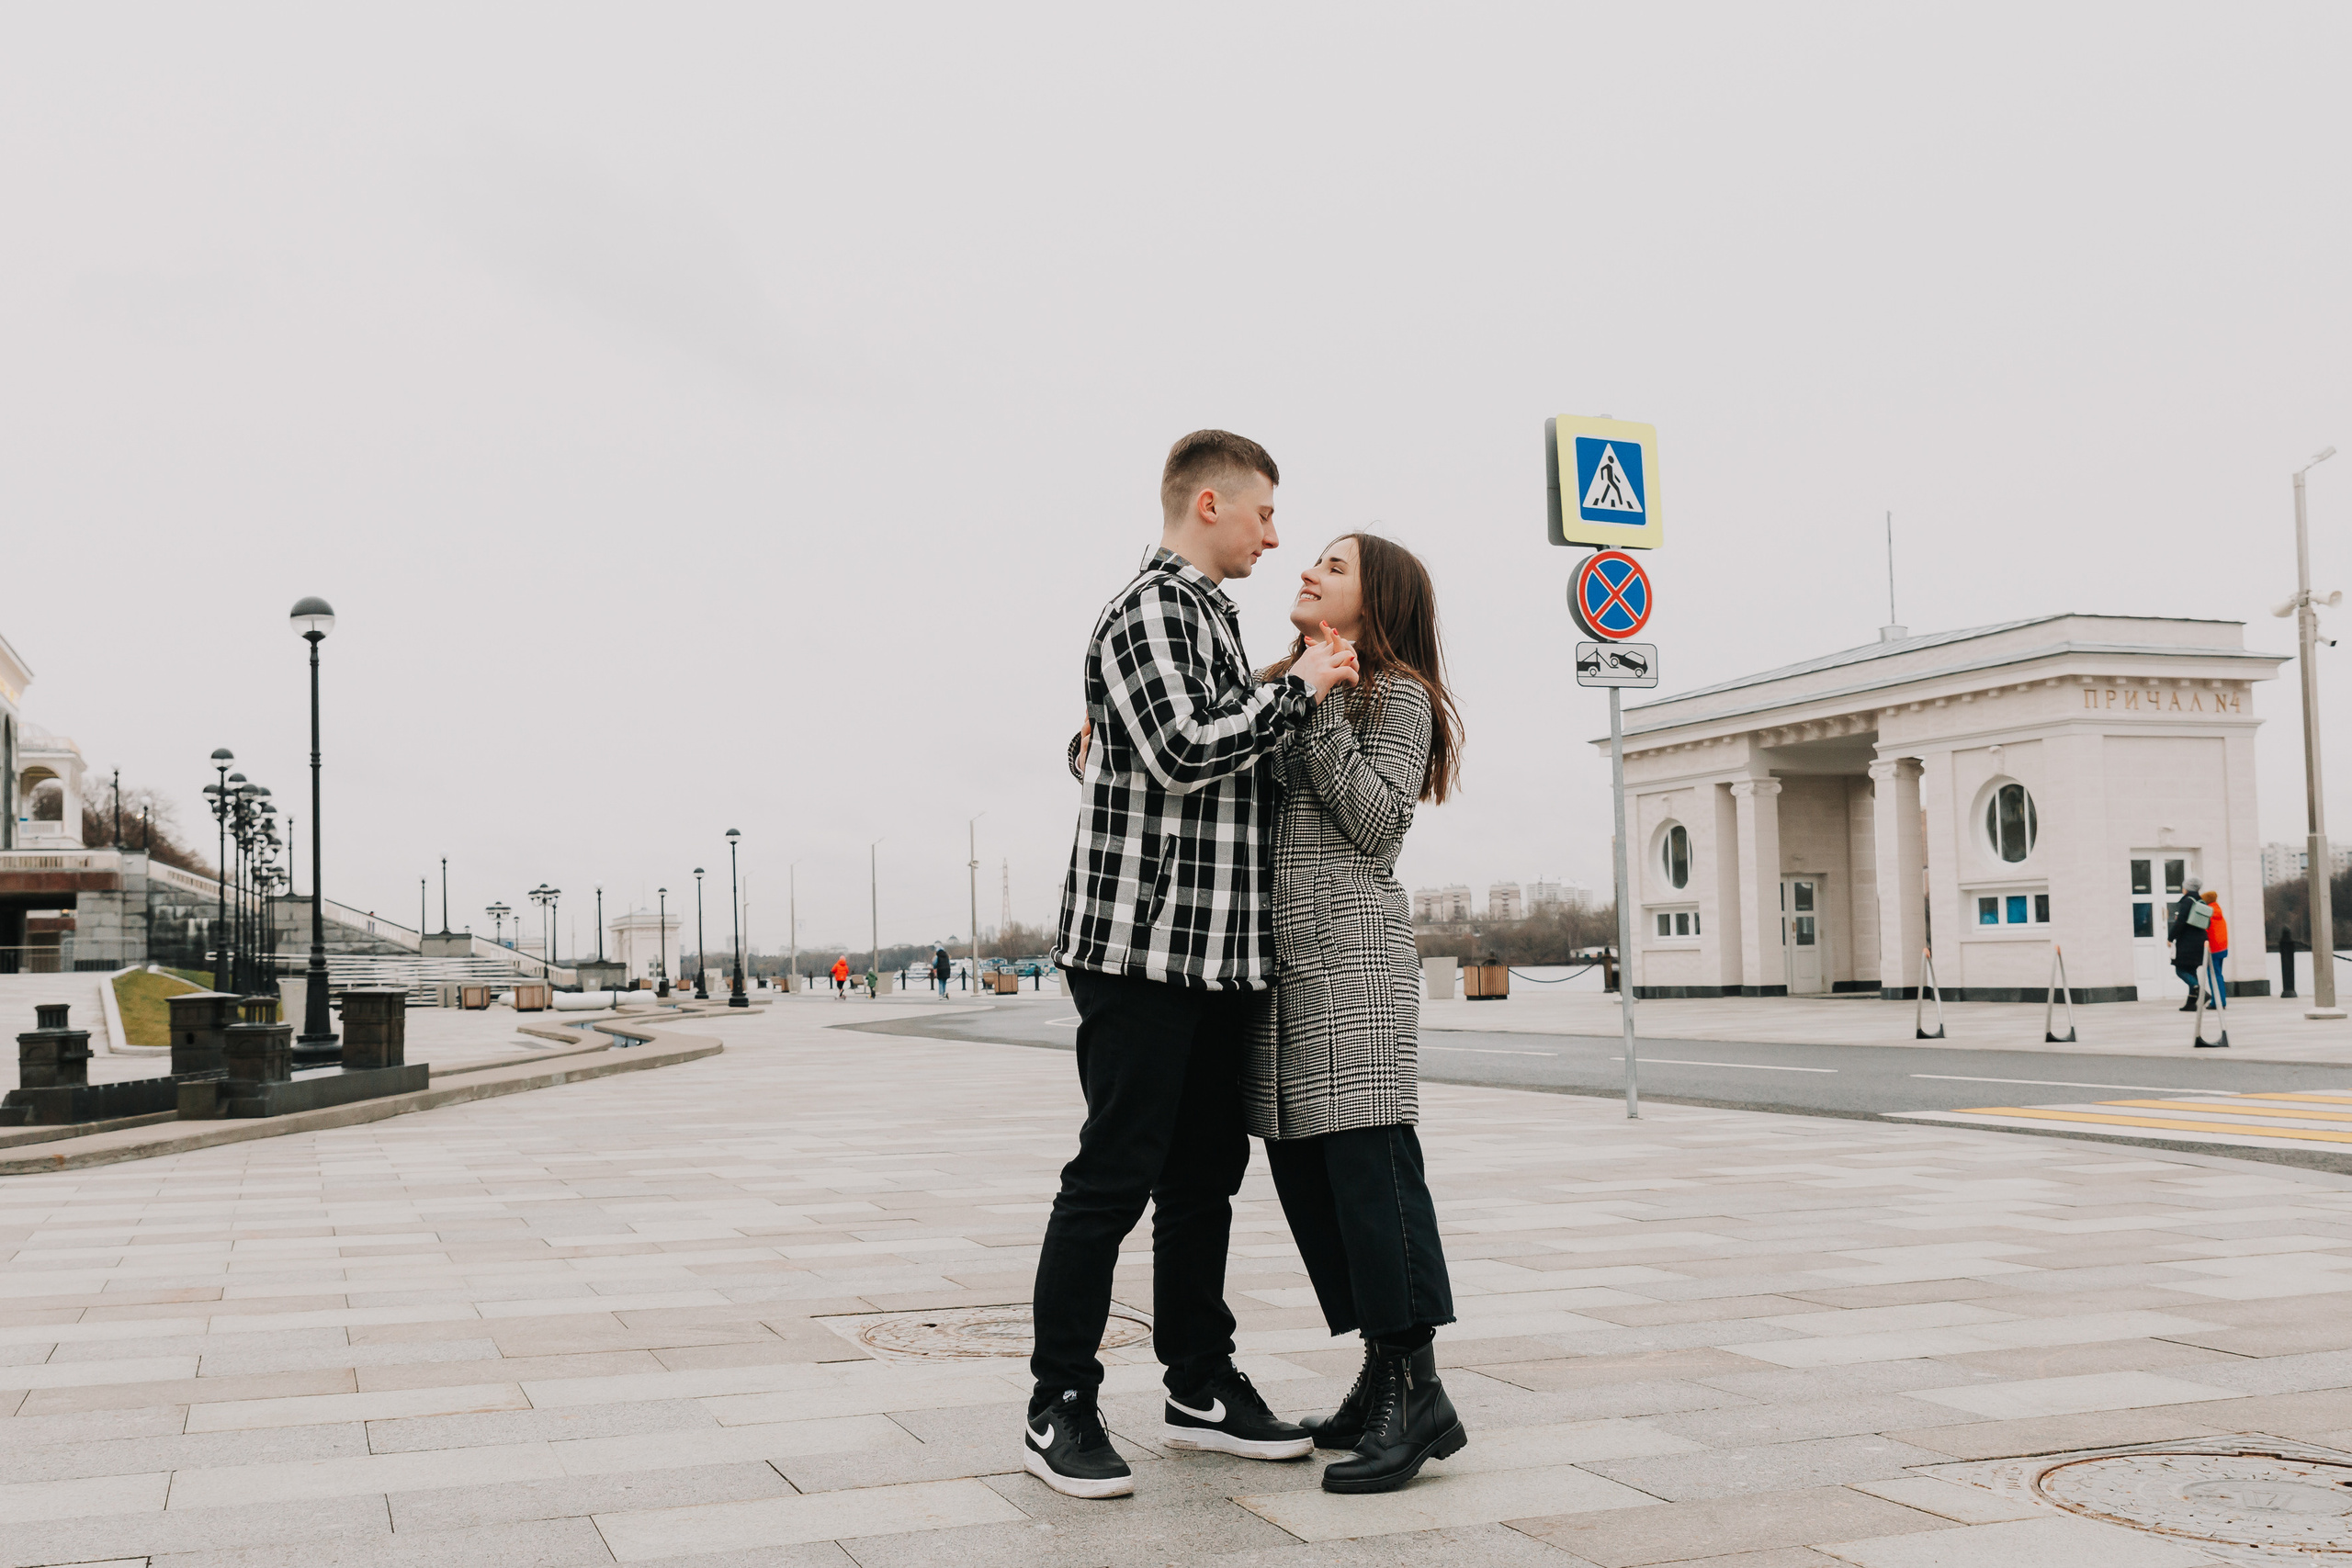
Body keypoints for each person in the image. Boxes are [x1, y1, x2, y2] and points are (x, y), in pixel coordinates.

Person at [1024, 430, 1358, 1501]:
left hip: (1215, 957)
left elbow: (1194, 741)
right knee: (1113, 1178)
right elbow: (1180, 752)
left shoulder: (1209, 617)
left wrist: (1286, 684)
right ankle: (1058, 1403)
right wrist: (1303, 684)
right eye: (1264, 513)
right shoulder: (1153, 609)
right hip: (1140, 952)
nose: (1276, 535)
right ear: (1208, 504)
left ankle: (1198, 1384)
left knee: (1203, 1181)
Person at [1249, 534, 1470, 1495]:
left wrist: (1325, 706)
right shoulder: (1279, 679)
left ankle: (1417, 1391)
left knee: (1372, 1177)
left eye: (1332, 568)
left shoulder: (1396, 693)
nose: (1306, 571)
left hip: (1351, 966)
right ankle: (1381, 1374)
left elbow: (1377, 824)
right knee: (1313, 1180)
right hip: (1279, 975)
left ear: (1374, 602)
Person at [2168, 876, 2207, 1011]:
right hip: (2200, 941)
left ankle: (2199, 990)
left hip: (2187, 942)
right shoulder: (2201, 901)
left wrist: (2170, 937)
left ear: (2187, 888)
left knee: (2180, 970)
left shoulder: (2187, 902)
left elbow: (2180, 922)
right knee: (2191, 970)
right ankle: (2191, 1003)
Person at [2202, 890, 2230, 1009]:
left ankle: (2217, 1002)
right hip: (2222, 948)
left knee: (2213, 976)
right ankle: (2221, 1000)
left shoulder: (2208, 913)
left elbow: (2206, 930)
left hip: (2213, 949)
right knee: (2219, 975)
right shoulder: (2218, 911)